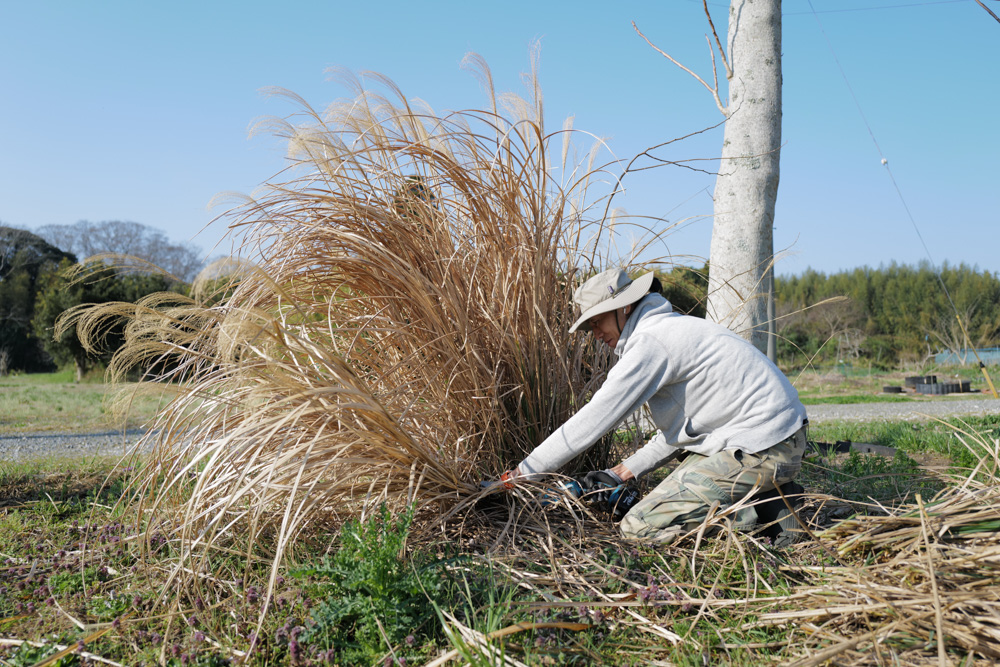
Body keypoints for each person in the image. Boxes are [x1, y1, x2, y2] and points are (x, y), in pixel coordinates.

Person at [502, 268, 809, 546]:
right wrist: (622, 472)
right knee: (670, 497)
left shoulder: (652, 342)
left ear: (623, 307)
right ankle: (771, 497)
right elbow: (688, 430)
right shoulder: (668, 330)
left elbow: (593, 420)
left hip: (766, 446)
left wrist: (522, 474)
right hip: (768, 439)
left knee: (640, 525)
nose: (595, 334)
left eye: (598, 322)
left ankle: (765, 517)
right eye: (589, 327)